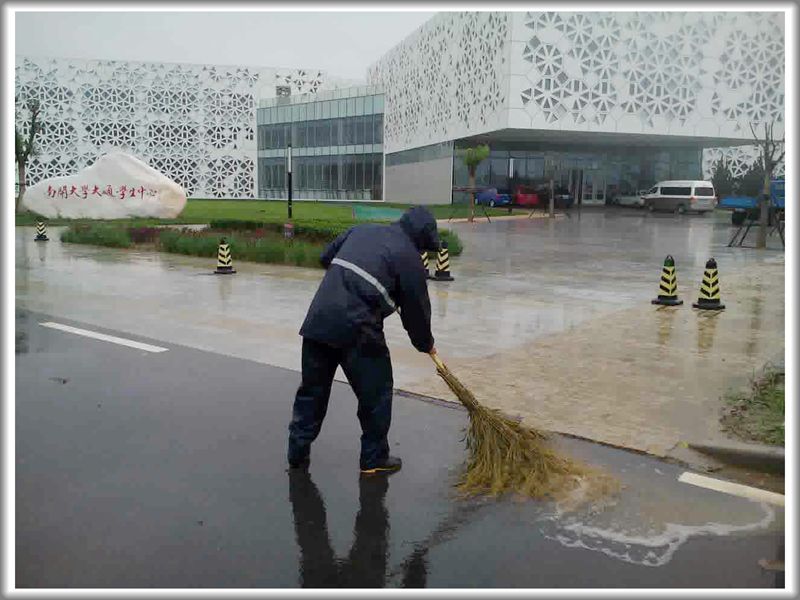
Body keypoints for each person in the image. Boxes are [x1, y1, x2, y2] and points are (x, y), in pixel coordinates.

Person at [287, 206, 440, 475]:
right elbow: (416, 312)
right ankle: (374, 459)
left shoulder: (362, 230)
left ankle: (297, 454)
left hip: (318, 320)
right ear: (421, 239)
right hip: (358, 330)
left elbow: (326, 257)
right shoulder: (409, 259)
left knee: (312, 392)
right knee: (376, 392)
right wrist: (425, 343)